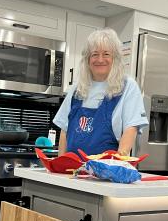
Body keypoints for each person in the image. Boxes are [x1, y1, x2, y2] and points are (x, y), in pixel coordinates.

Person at [53, 28, 148, 157]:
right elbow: (64, 131)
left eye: (106, 54)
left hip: (106, 171)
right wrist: (60, 166)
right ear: (87, 59)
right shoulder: (77, 88)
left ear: (115, 58)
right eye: (95, 54)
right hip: (72, 171)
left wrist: (119, 161)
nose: (100, 59)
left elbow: (131, 129)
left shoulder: (127, 87)